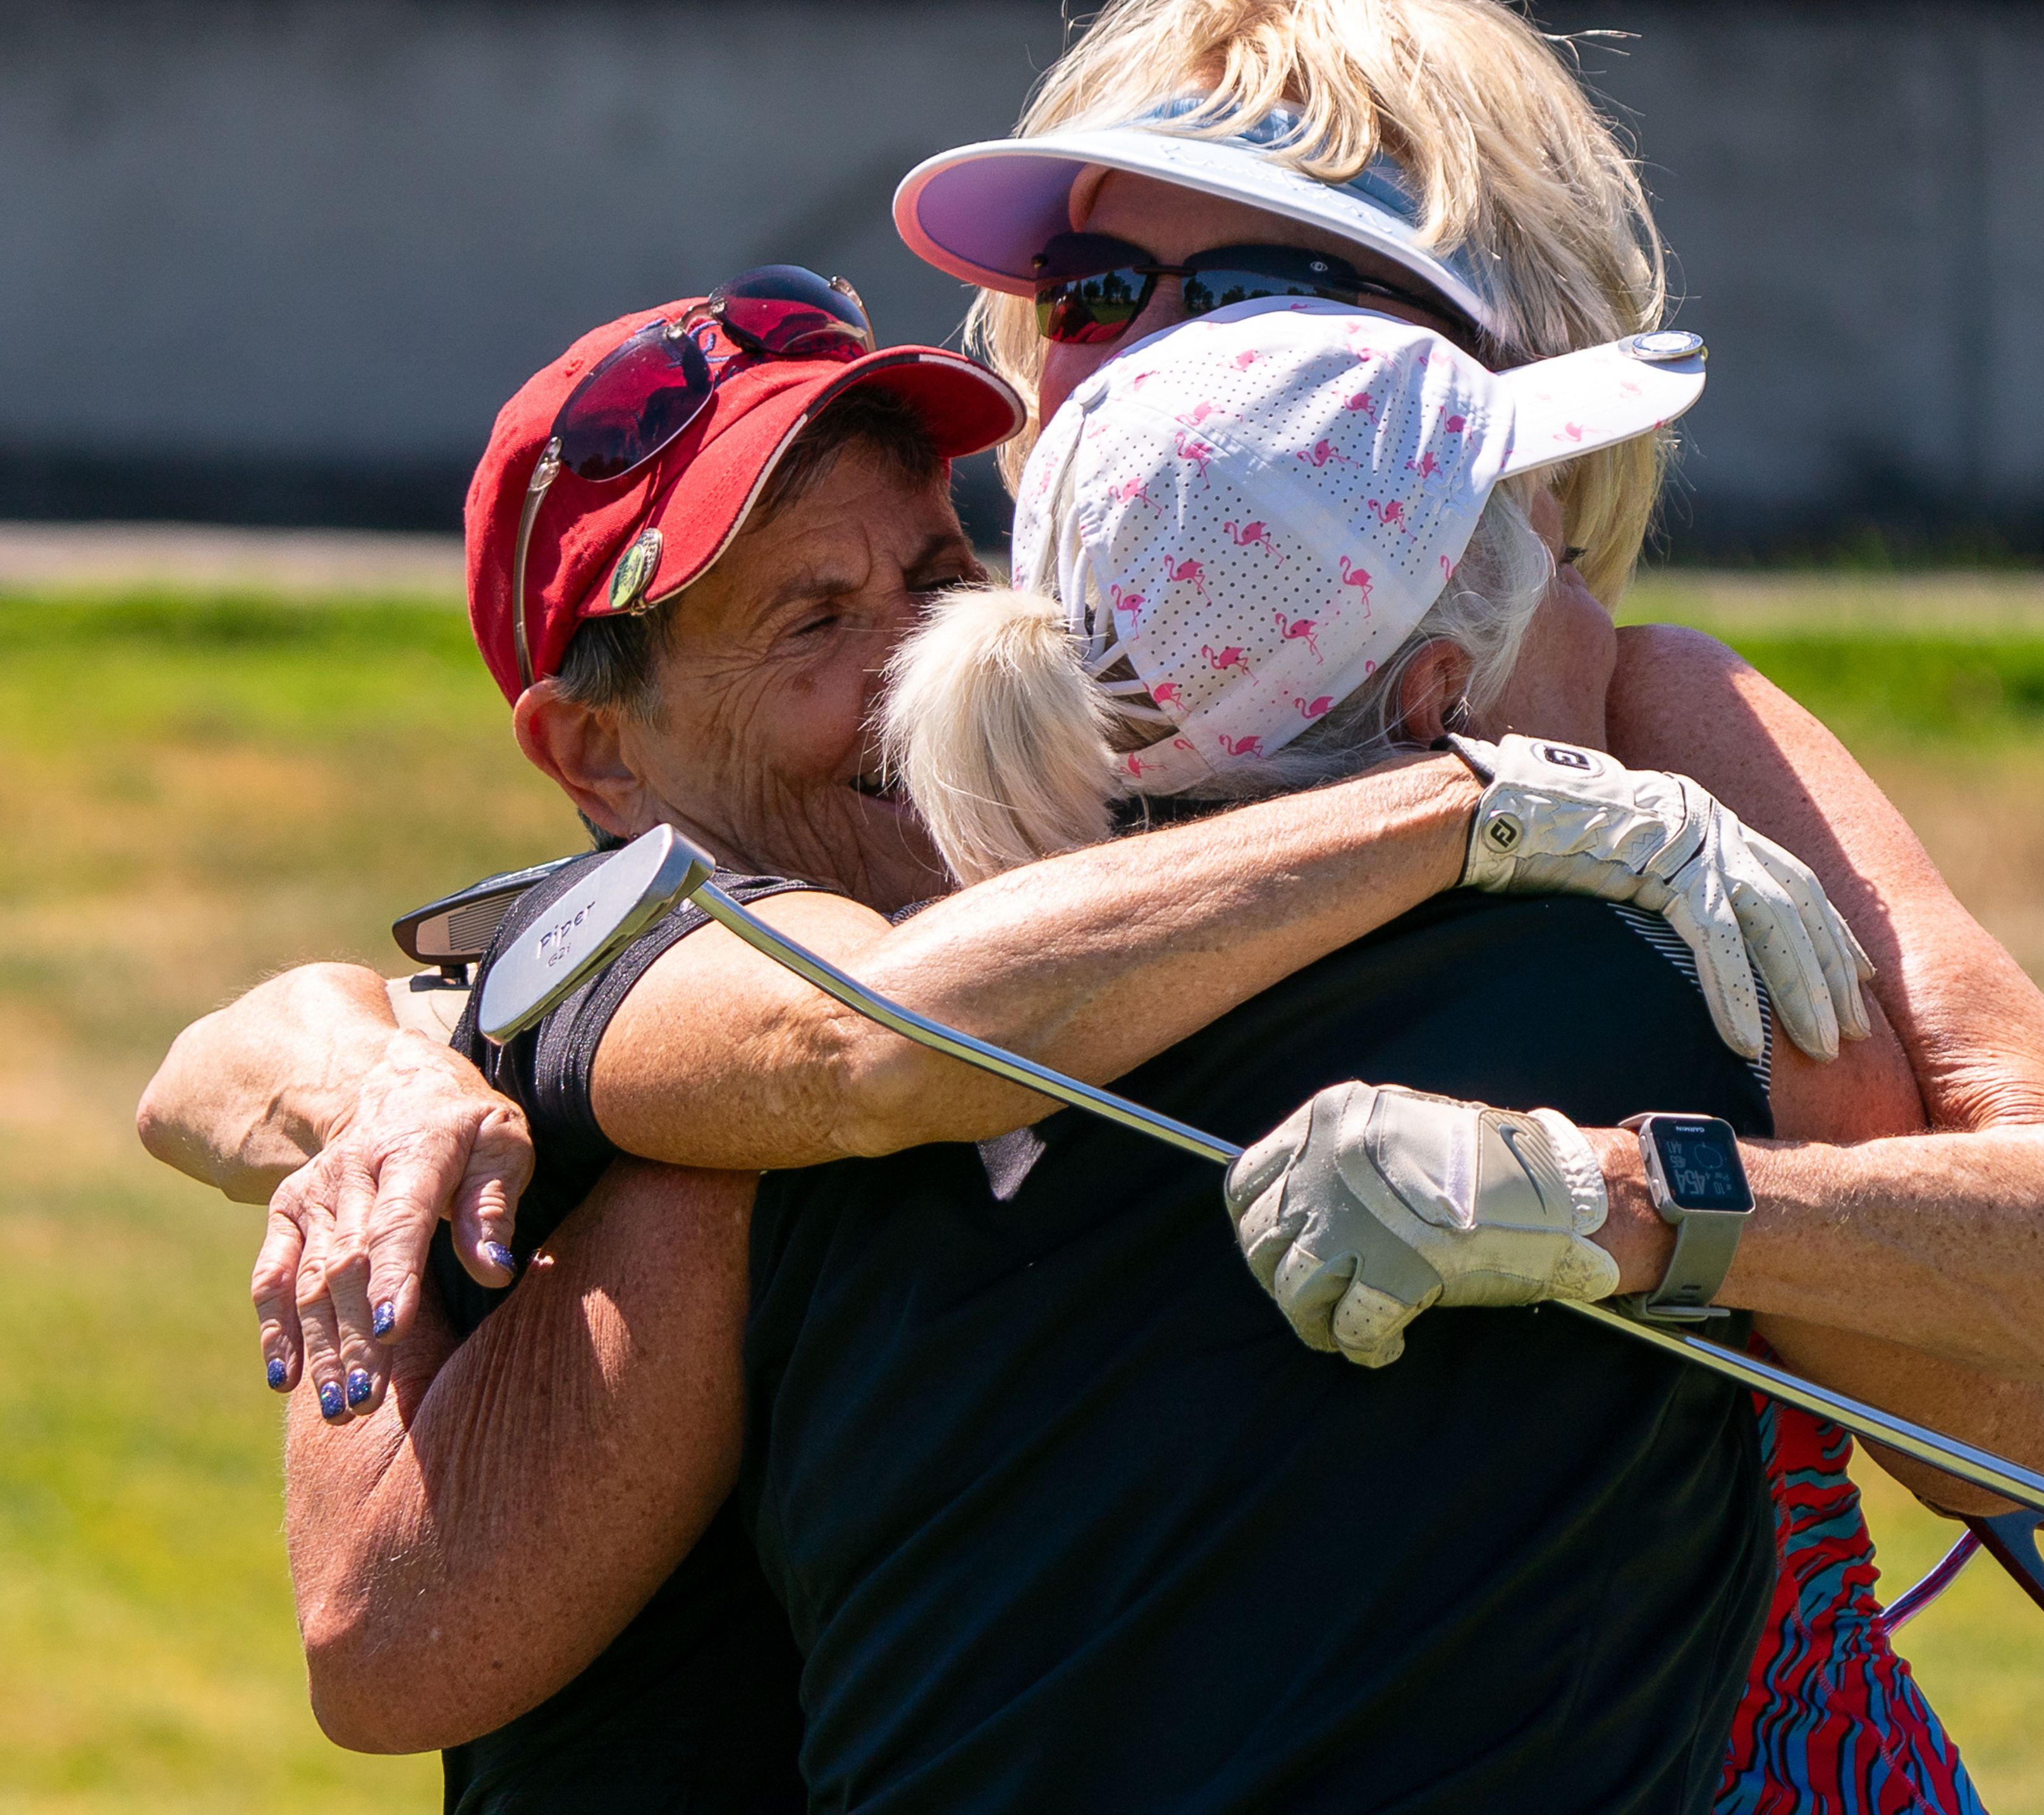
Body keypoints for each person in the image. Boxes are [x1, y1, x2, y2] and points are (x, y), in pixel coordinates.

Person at [139, 284, 1892, 1811]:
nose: (917, 657)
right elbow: (874, 1052)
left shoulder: (1103, 930)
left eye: (939, 567)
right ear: (597, 757)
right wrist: (1496, 807)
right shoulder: (667, 983)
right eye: (813, 623)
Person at [883, 0, 2044, 1809]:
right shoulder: (941, 730)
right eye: (1092, 283)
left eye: (1269, 284)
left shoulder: (1653, 716)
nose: (1143, 346)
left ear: (1505, 375)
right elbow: (621, 1003)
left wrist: (1615, 1195)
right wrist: (350, 1048)